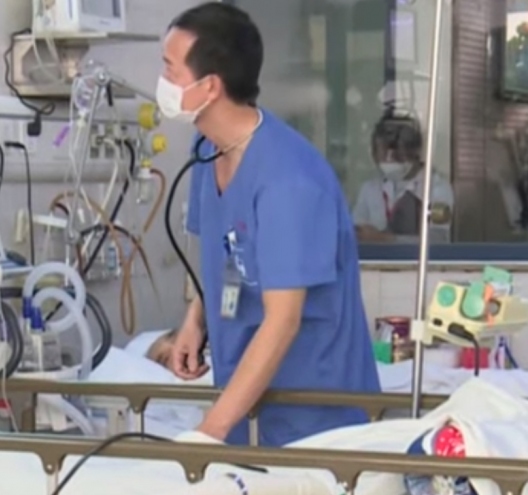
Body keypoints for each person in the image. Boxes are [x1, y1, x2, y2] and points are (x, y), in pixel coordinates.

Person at [161, 2, 380, 447]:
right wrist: (195, 321)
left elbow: (283, 321)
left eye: (170, 69)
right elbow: (226, 251)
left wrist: (209, 431)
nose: (161, 81)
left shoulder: (288, 180)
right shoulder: (207, 149)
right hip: (246, 405)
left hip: (314, 419)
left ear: (210, 86)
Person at [352, 113, 454, 243]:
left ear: (415, 152)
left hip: (418, 257)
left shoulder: (437, 188)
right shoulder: (369, 189)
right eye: (383, 154)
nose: (389, 160)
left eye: (397, 154)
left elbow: (438, 239)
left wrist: (385, 239)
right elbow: (357, 232)